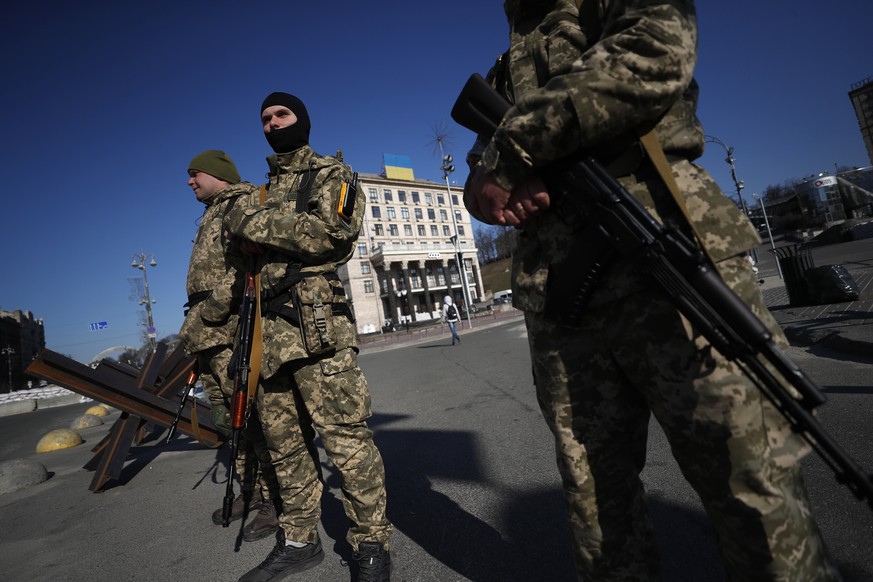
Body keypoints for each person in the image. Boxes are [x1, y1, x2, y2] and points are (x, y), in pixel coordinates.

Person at [463, 2, 840, 581]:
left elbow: (656, 50)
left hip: (669, 254)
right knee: (594, 500)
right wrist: (486, 188)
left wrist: (515, 150)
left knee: (749, 481)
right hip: (560, 295)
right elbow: (478, 175)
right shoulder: (501, 68)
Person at [223, 92, 393, 582]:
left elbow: (332, 235)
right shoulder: (257, 192)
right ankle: (299, 541)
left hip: (316, 329)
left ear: (303, 120)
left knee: (347, 443)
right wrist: (257, 229)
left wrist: (256, 226)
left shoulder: (332, 174)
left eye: (282, 115)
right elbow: (241, 256)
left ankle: (371, 545)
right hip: (265, 340)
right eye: (265, 119)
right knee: (285, 450)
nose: (273, 124)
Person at [178, 150, 281, 543]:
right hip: (207, 331)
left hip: (228, 327)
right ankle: (250, 491)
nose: (190, 181)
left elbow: (242, 270)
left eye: (195, 174)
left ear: (217, 174)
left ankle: (274, 499)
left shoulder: (239, 203)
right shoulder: (210, 212)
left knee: (251, 418)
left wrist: (208, 313)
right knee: (228, 421)